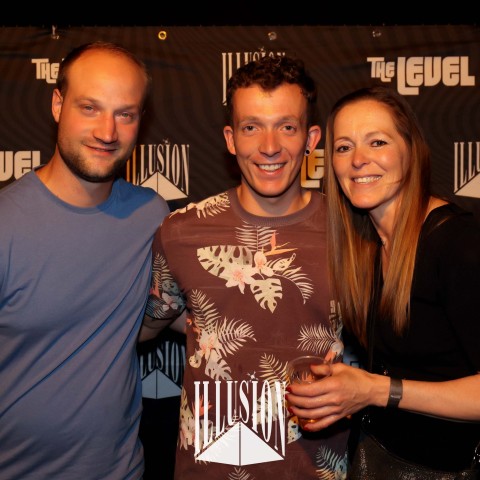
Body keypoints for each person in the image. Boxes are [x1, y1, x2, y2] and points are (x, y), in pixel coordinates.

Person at [140, 55, 350, 479]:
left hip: (316, 469)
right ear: (231, 138)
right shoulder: (181, 232)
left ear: (311, 138)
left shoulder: (351, 232)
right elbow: (149, 323)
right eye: (252, 127)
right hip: (209, 470)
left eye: (286, 127)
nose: (269, 146)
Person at [285, 85, 480, 477]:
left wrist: (373, 389)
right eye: (344, 147)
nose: (359, 160)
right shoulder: (367, 247)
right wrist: (345, 388)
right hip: (381, 457)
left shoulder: (458, 244)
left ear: (411, 150)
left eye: (377, 142)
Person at [0, 41, 170, 479]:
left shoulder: (151, 216)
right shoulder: (5, 223)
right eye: (90, 108)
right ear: (58, 104)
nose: (107, 132)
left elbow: (200, 311)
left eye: (125, 114)